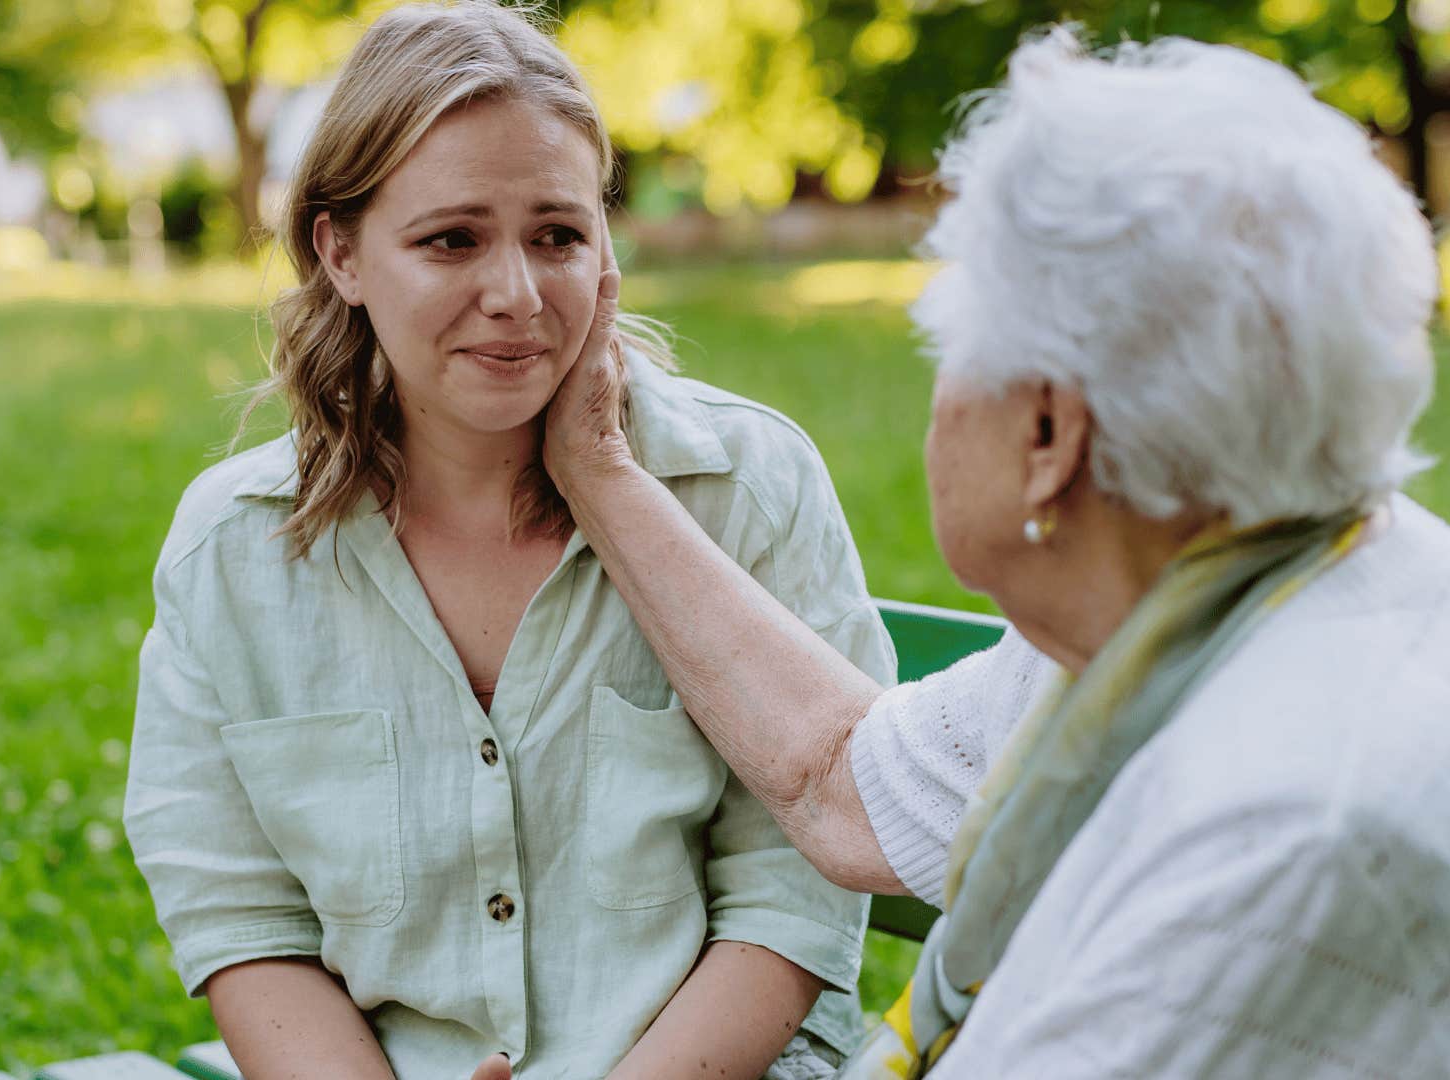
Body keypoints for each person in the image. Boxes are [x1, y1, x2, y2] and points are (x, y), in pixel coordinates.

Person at [540, 28, 1450, 1078]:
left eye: (952, 359)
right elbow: (839, 784)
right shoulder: (1260, 583)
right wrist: (599, 471)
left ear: (1047, 439)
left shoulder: (1273, 832)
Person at [122, 4, 892, 1077]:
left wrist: (604, 475)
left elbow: (795, 890)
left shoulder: (745, 489)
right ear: (337, 250)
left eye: (558, 236)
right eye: (452, 239)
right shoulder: (233, 550)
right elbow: (240, 913)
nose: (517, 297)